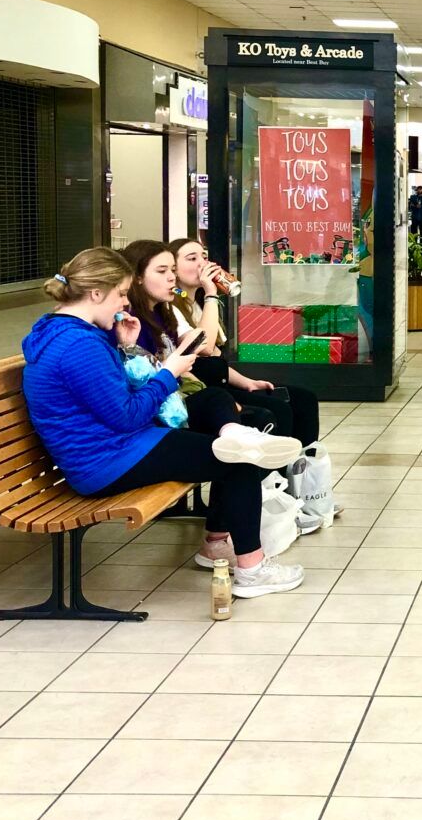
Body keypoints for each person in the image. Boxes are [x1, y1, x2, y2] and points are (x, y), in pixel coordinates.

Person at [22, 248, 305, 597]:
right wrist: (170, 372)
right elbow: (128, 415)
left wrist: (126, 348)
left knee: (234, 451)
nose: (124, 303)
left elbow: (112, 403)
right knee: (240, 459)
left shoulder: (60, 332)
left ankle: (229, 539)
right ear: (96, 293)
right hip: (107, 461)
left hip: (111, 450)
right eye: (121, 294)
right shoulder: (78, 345)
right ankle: (252, 570)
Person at [167, 238, 321, 448]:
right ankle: (273, 474)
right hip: (203, 391)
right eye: (191, 258)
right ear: (173, 270)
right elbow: (205, 347)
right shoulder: (173, 309)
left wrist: (248, 382)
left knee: (304, 399)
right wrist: (211, 293)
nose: (202, 263)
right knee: (278, 410)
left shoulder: (199, 305)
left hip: (219, 383)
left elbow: (217, 360)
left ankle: (301, 468)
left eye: (204, 256)